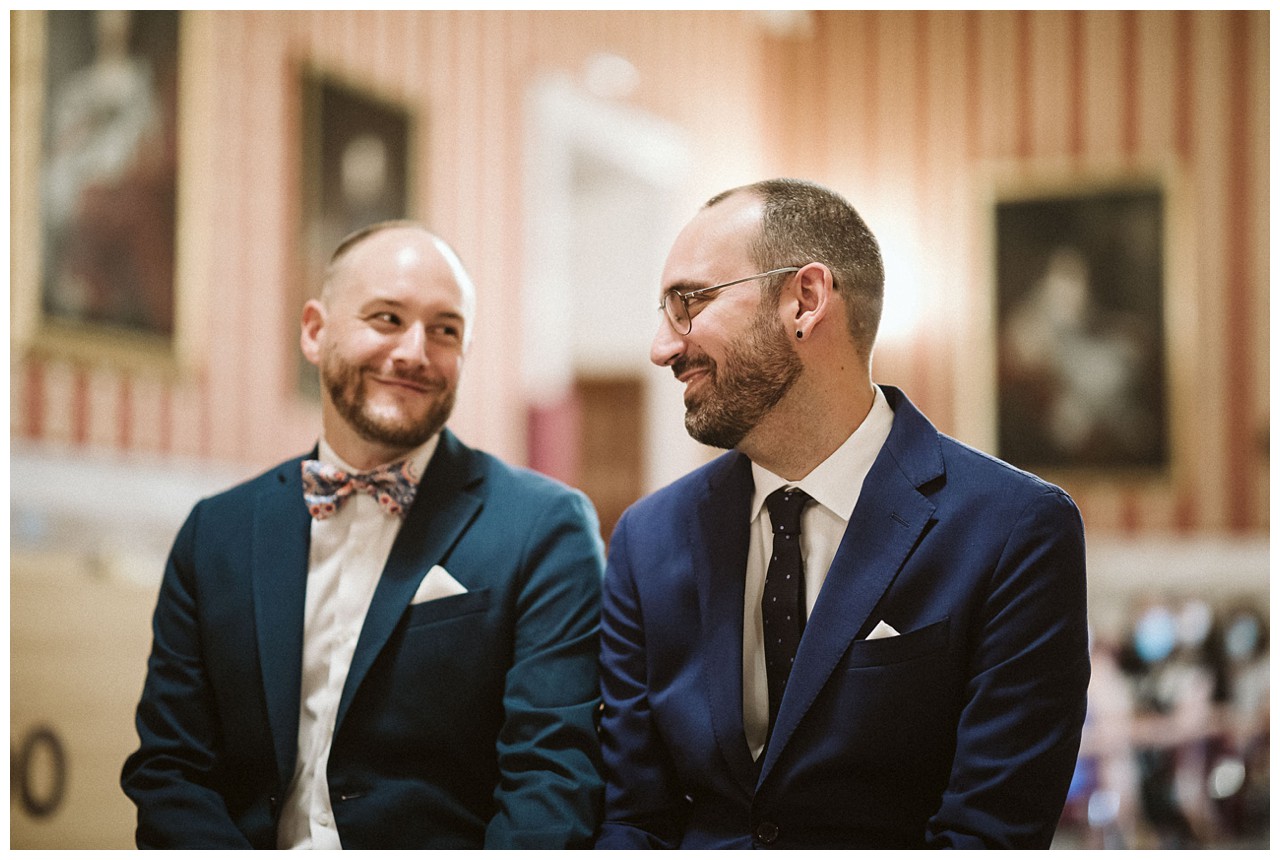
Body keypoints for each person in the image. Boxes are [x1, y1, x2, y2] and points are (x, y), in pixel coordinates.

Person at [596, 179, 1090, 849]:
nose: (662, 346)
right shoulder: (646, 540)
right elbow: (632, 821)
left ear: (805, 300)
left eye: (691, 302)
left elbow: (987, 836)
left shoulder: (1015, 531)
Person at [122, 222, 605, 848]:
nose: (413, 352)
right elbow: (172, 771)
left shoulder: (544, 528)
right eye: (386, 317)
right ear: (315, 331)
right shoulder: (215, 532)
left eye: (445, 330)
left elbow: (553, 780)